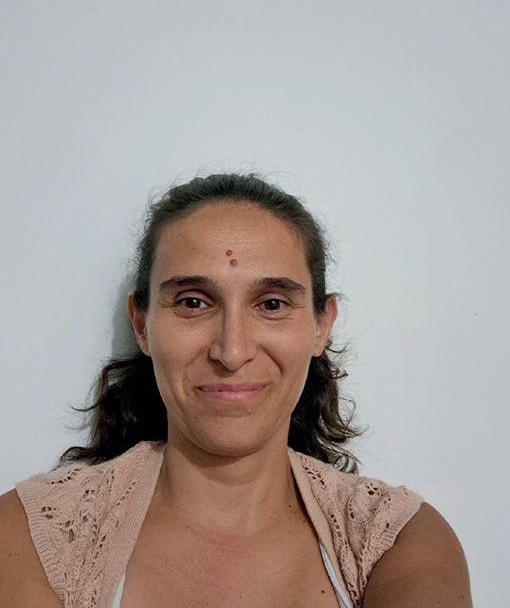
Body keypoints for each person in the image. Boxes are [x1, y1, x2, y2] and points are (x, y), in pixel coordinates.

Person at [0, 173, 472, 607]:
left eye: (272, 304)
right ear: (142, 324)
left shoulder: (398, 542)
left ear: (321, 326)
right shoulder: (32, 537)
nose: (231, 351)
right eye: (193, 302)